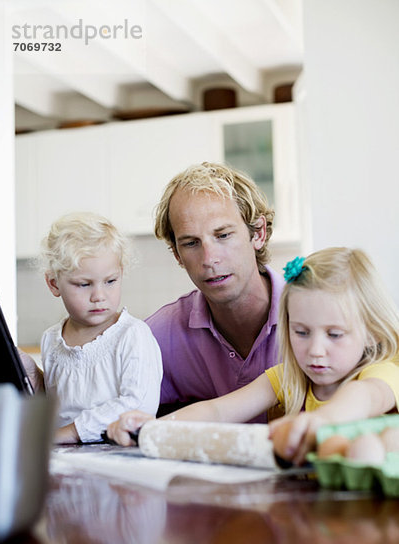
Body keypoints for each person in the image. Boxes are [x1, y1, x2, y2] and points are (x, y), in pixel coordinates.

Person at [107, 247, 399, 464]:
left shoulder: (380, 374)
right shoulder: (288, 378)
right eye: (301, 332)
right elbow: (218, 411)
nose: (315, 350)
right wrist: (153, 429)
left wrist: (322, 421)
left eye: (334, 334)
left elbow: (365, 397)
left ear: (372, 332)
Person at [145, 161, 284, 419]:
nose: (209, 258)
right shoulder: (155, 338)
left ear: (258, 234)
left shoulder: (313, 315)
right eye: (191, 243)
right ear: (176, 253)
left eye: (223, 235)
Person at [40, 212, 162, 444]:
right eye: (84, 284)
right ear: (54, 284)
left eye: (110, 281)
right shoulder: (51, 340)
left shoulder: (133, 335)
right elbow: (57, 408)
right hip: (64, 456)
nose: (99, 296)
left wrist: (70, 433)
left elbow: (138, 404)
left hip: (119, 457)